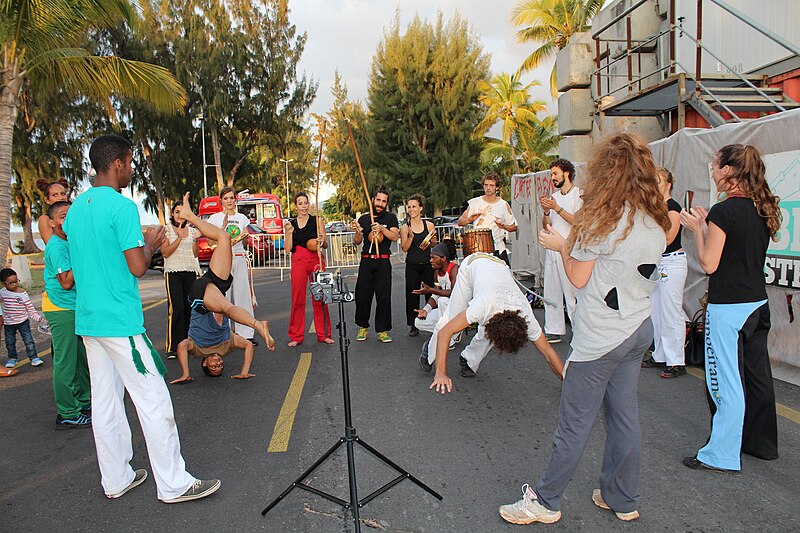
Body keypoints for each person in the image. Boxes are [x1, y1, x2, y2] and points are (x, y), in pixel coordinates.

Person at [498, 133, 669, 525]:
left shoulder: (604, 221)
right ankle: (623, 498)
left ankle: (545, 500)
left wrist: (561, 246)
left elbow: (577, 277)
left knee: (574, 424)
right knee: (624, 416)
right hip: (638, 328)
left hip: (601, 337)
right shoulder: (654, 221)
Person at [64, 134, 219, 503]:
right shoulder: (121, 206)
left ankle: (115, 478)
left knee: (105, 403)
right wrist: (151, 242)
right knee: (153, 400)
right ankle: (174, 483)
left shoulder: (75, 209)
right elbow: (137, 266)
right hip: (120, 321)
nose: (132, 169)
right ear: (117, 163)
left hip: (89, 321)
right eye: (131, 162)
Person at [680, 144, 781, 473]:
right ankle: (760, 444)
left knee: (724, 381)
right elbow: (736, 253)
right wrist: (706, 227)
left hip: (728, 308)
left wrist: (697, 231)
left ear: (727, 171)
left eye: (715, 165)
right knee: (757, 377)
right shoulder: (760, 207)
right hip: (757, 304)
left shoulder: (724, 211)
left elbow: (710, 263)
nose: (711, 169)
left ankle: (721, 453)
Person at [168, 192, 275, 384]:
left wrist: (185, 373)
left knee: (225, 307)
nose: (218, 363)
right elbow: (248, 347)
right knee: (224, 236)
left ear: (204, 364)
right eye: (220, 366)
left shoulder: (198, 350)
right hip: (216, 285)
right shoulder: (226, 347)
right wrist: (244, 372)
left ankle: (190, 216)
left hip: (200, 297)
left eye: (213, 366)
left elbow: (182, 346)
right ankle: (258, 325)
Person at [422, 252, 563, 386]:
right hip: (472, 264)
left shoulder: (525, 313)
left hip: (499, 265)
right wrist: (441, 373)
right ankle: (429, 352)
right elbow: (445, 331)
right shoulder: (483, 305)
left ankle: (468, 360)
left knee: (491, 333)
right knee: (450, 318)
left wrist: (567, 381)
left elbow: (548, 352)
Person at [42, 201, 92, 429]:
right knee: (66, 362)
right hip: (61, 309)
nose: (67, 222)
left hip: (73, 307)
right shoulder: (57, 247)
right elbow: (65, 282)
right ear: (51, 222)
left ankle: (83, 402)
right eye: (63, 217)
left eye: (71, 216)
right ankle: (67, 412)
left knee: (80, 359)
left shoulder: (69, 242)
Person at [642, 168, 687, 378]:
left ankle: (676, 360)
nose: (654, 185)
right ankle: (659, 355)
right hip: (657, 263)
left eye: (658, 181)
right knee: (656, 312)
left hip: (671, 263)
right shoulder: (653, 208)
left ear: (668, 184)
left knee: (671, 311)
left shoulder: (673, 207)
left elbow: (669, 238)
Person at [207, 187, 258, 345]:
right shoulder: (214, 218)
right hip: (223, 261)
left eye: (231, 198)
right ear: (221, 200)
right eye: (226, 198)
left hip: (239, 257)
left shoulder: (242, 218)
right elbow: (210, 242)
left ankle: (246, 333)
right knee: (224, 297)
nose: (229, 201)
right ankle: (224, 333)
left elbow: (244, 240)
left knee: (243, 296)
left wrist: (243, 238)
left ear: (235, 200)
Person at [539, 159, 582, 344]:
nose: (552, 178)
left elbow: (578, 222)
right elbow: (547, 226)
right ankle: (553, 329)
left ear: (566, 173)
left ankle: (580, 330)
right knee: (551, 291)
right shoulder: (553, 196)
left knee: (571, 294)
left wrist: (557, 207)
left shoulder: (579, 195)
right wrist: (547, 212)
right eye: (551, 174)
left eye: (555, 173)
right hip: (552, 251)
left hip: (569, 250)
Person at [351, 186, 400, 343]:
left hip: (383, 261)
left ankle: (382, 330)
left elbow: (394, 236)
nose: (380, 203)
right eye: (378, 200)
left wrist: (381, 229)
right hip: (366, 260)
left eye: (384, 201)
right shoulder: (364, 219)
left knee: (383, 296)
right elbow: (357, 241)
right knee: (362, 295)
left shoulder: (390, 218)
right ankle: (363, 326)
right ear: (373, 199)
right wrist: (358, 232)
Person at [285, 191, 333, 347]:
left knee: (320, 297)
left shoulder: (317, 220)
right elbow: (287, 248)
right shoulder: (291, 223)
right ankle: (296, 335)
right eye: (300, 203)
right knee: (297, 298)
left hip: (316, 259)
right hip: (298, 259)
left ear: (309, 204)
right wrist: (288, 233)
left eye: (305, 203)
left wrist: (321, 240)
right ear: (295, 206)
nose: (303, 206)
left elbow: (325, 244)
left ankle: (323, 334)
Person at [162, 200, 201, 358]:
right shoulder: (167, 230)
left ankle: (188, 344)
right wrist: (178, 238)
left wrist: (194, 240)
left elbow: (196, 253)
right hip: (173, 273)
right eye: (176, 212)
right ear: (172, 214)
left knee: (189, 308)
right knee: (176, 309)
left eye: (182, 212)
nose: (179, 215)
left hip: (190, 272)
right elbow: (165, 252)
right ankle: (173, 347)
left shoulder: (191, 231)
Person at [458, 172, 517, 266]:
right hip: (477, 249)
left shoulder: (503, 204)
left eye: (491, 185)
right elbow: (460, 222)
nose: (488, 188)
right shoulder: (475, 203)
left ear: (497, 187)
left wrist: (504, 226)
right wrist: (470, 219)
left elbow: (514, 227)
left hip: (497, 248)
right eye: (486, 185)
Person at [412, 240, 460, 349]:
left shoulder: (454, 269)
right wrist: (426, 310)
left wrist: (431, 290)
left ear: (443, 258)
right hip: (446, 309)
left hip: (458, 309)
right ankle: (453, 331)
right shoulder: (436, 273)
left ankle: (449, 339)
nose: (430, 260)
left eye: (434, 258)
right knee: (418, 322)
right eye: (431, 257)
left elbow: (454, 293)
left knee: (442, 301)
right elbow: (435, 295)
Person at [400, 194, 436, 337]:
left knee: (431, 294)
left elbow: (433, 244)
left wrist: (433, 241)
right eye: (409, 207)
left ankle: (433, 321)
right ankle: (413, 325)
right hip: (412, 265)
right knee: (412, 295)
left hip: (428, 264)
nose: (411, 209)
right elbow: (404, 248)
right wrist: (410, 237)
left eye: (414, 206)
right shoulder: (405, 227)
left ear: (420, 208)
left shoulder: (429, 225)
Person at [1, 267, 44, 368]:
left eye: (16, 281)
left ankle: (34, 358)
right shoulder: (2, 292)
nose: (15, 284)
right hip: (8, 323)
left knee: (28, 340)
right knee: (10, 342)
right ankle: (12, 359)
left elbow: (30, 308)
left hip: (23, 321)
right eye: (11, 283)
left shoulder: (23, 294)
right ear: (4, 284)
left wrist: (37, 317)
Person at [36, 178, 69, 245]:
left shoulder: (73, 215)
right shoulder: (45, 219)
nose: (60, 197)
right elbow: (52, 247)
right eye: (55, 195)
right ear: (47, 200)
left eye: (63, 194)